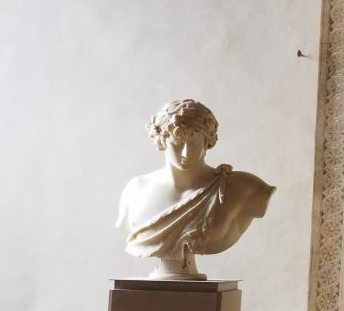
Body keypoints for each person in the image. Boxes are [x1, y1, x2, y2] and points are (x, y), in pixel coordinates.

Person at [115, 99, 274, 280]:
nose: (186, 152)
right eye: (178, 142)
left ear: (207, 140)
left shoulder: (243, 189)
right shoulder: (136, 190)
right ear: (162, 140)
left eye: (194, 143)